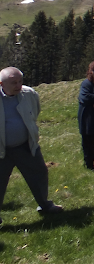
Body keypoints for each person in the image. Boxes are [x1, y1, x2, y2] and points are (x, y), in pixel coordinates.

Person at [0, 67, 63, 223]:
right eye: (13, 82)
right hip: (1, 151)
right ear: (1, 83)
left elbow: (35, 112)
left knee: (39, 174)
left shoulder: (29, 94)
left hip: (25, 145)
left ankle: (45, 205)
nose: (18, 85)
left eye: (20, 81)